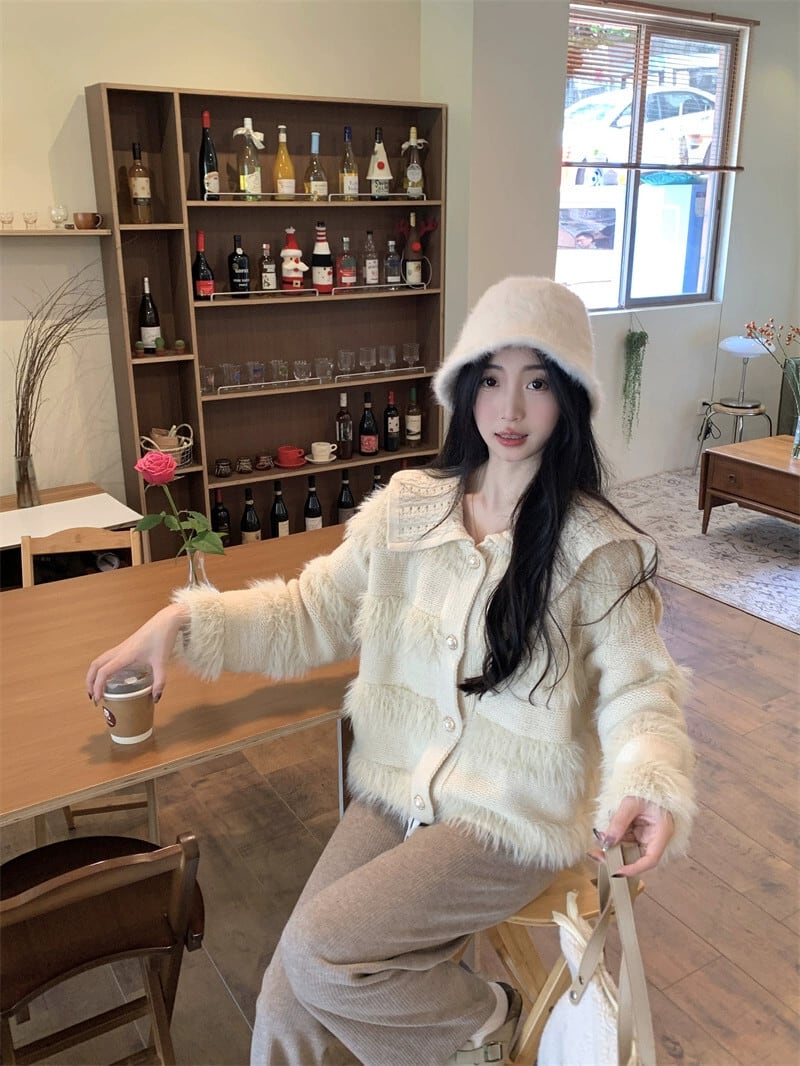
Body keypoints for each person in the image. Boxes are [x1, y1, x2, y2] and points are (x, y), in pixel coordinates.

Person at [87, 276, 695, 1066]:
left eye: (538, 382)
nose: (510, 408)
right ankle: (474, 1031)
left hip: (505, 818)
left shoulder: (597, 550)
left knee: (318, 952)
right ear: (465, 389)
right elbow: (308, 612)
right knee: (285, 995)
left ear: (570, 397)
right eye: (491, 379)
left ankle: (485, 1021)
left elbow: (642, 688)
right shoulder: (407, 508)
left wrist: (650, 777)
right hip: (395, 784)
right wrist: (180, 622)